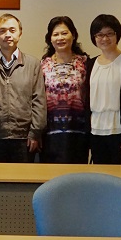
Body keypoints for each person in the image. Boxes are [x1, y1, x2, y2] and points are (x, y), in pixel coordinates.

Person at [0, 13, 46, 163]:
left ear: (20, 33)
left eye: (12, 30)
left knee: (23, 177)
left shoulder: (33, 64)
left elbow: (39, 101)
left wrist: (35, 133)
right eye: (2, 31)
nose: (7, 35)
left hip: (24, 137)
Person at [86, 14, 121, 164]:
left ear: (117, 35)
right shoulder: (90, 64)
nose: (105, 38)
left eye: (109, 33)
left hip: (119, 132)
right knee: (99, 175)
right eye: (100, 34)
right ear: (94, 37)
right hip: (96, 131)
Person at [40, 16, 89, 164]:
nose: (60, 38)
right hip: (50, 133)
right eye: (55, 34)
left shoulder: (85, 63)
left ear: (73, 35)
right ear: (50, 39)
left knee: (77, 174)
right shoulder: (43, 65)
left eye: (64, 33)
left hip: (78, 131)